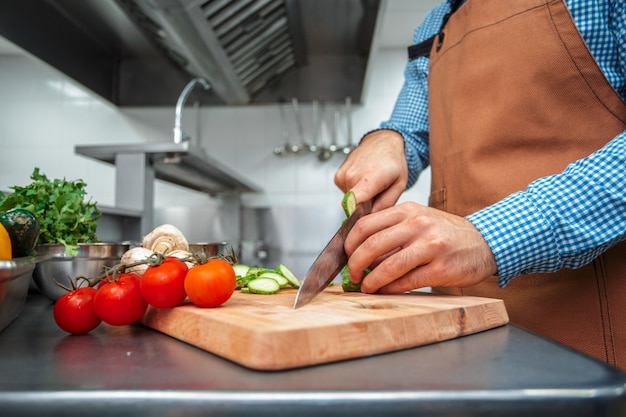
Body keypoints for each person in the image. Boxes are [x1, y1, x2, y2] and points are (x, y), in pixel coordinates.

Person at [335, 0, 626, 369]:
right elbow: (415, 123)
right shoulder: (436, 21)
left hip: (590, 338)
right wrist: (389, 138)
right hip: (459, 338)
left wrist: (488, 235)